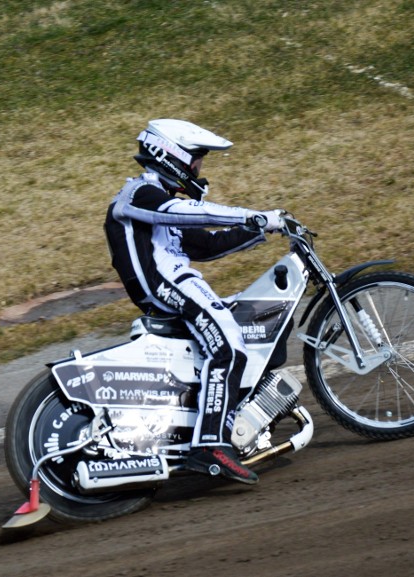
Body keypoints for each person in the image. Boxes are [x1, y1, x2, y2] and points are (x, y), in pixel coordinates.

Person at [104, 119, 283, 485]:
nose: (200, 169)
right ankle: (210, 445)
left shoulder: (157, 205)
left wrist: (262, 230)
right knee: (229, 348)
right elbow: (190, 214)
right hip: (168, 286)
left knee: (248, 324)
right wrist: (256, 216)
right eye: (197, 160)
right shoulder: (141, 195)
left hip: (178, 283)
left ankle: (225, 418)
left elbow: (205, 244)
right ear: (173, 156)